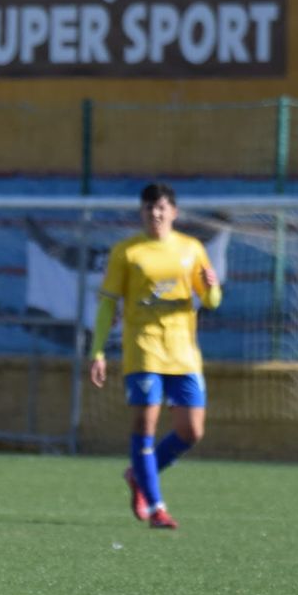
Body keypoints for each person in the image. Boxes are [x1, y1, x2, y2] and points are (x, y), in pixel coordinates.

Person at [87, 181, 222, 530]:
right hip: (144, 350)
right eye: (149, 208)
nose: (156, 213)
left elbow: (211, 302)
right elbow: (107, 304)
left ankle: (138, 476)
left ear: (174, 212)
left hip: (184, 354)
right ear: (141, 212)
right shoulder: (127, 252)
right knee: (145, 424)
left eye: (162, 207)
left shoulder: (191, 248)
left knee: (191, 431)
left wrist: (211, 287)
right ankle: (157, 507)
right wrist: (98, 350)